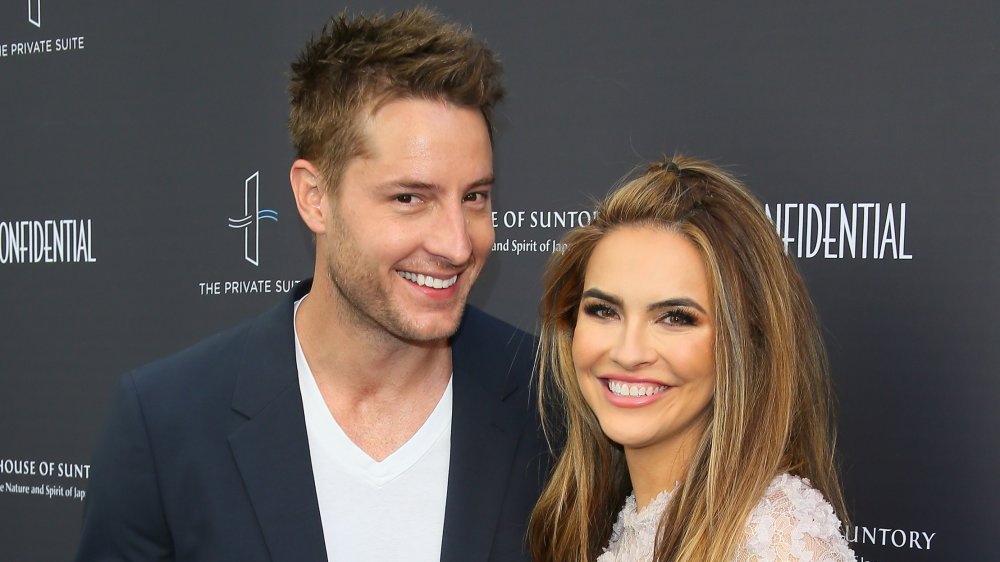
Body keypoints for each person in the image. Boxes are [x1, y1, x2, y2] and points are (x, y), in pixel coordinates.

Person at [76, 8, 547, 562]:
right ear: (314, 197)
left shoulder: (552, 402)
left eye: (474, 197)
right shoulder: (164, 424)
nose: (457, 244)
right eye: (409, 198)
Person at [528, 156, 856, 561]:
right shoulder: (619, 518)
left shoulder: (772, 544)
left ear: (744, 343)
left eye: (675, 318)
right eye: (604, 311)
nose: (629, 353)